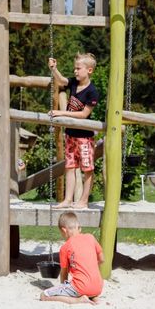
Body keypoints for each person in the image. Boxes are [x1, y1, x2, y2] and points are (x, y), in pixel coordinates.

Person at [48, 53, 99, 209]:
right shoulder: (74, 84)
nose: (75, 71)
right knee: (69, 168)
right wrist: (54, 69)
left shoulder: (92, 92)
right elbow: (62, 80)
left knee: (87, 169)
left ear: (89, 70)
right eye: (74, 68)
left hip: (84, 137)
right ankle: (68, 199)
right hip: (70, 136)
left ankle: (83, 201)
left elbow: (84, 114)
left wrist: (61, 113)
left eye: (78, 68)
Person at [40, 212, 104, 304]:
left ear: (64, 230)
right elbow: (102, 259)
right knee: (84, 287)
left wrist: (63, 288)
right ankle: (94, 298)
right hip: (98, 287)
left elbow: (64, 273)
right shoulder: (91, 237)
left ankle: (78, 300)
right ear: (79, 228)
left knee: (44, 295)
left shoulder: (65, 247)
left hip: (81, 287)